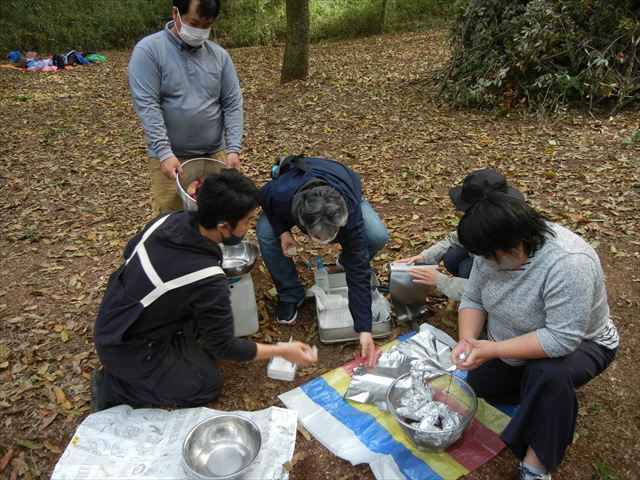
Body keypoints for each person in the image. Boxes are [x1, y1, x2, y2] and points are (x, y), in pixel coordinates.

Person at [91, 170, 317, 412]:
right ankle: (113, 387)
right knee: (206, 384)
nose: (250, 226)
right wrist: (283, 350)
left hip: (115, 314)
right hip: (128, 345)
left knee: (198, 336)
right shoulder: (206, 278)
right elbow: (226, 348)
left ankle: (173, 350)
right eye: (247, 221)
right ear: (223, 226)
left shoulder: (166, 220)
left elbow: (130, 252)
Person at [450, 192, 618, 480]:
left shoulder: (568, 264)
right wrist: (468, 339)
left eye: (490, 257)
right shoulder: (490, 250)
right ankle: (543, 397)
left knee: (548, 373)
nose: (484, 262)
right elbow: (473, 299)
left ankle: (536, 465)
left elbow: (561, 339)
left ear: (516, 246)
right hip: (512, 340)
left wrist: (493, 349)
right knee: (481, 384)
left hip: (584, 342)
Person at [257, 156, 389, 366]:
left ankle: (342, 262)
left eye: (335, 232)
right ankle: (290, 293)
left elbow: (359, 271)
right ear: (301, 222)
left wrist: (364, 329)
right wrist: (282, 231)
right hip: (295, 189)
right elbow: (263, 197)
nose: (328, 239)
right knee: (265, 232)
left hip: (342, 185)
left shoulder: (350, 210)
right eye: (319, 236)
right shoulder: (280, 193)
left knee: (376, 235)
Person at [128, 0, 244, 214]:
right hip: (172, 158)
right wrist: (163, 152)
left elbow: (232, 103)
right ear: (176, 14)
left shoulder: (219, 56)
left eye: (206, 25)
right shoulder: (149, 51)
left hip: (214, 156)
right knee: (171, 223)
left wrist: (234, 149)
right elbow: (148, 105)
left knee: (216, 219)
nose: (200, 31)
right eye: (194, 23)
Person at [397, 168, 524, 300]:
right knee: (453, 256)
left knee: (466, 268)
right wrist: (425, 257)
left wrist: (442, 282)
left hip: (500, 292)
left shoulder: (510, 245)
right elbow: (453, 239)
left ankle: (476, 304)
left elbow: (498, 289)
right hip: (485, 271)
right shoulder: (482, 225)